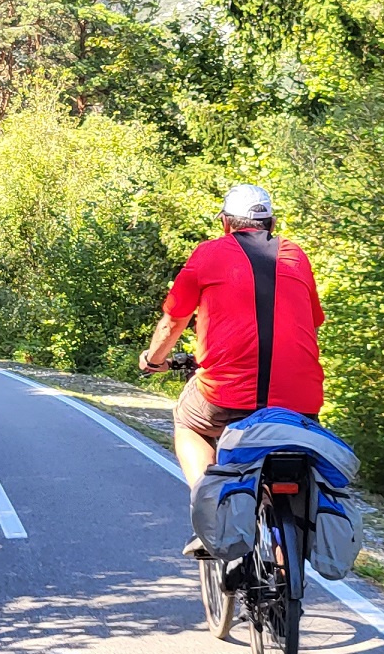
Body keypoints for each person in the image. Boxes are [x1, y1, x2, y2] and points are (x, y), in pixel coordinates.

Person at [137, 183, 325, 494]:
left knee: (188, 423)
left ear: (226, 223)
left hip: (225, 396)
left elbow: (173, 322)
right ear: (272, 224)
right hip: (300, 401)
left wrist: (153, 360)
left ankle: (209, 506)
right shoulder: (296, 257)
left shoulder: (208, 253)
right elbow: (313, 324)